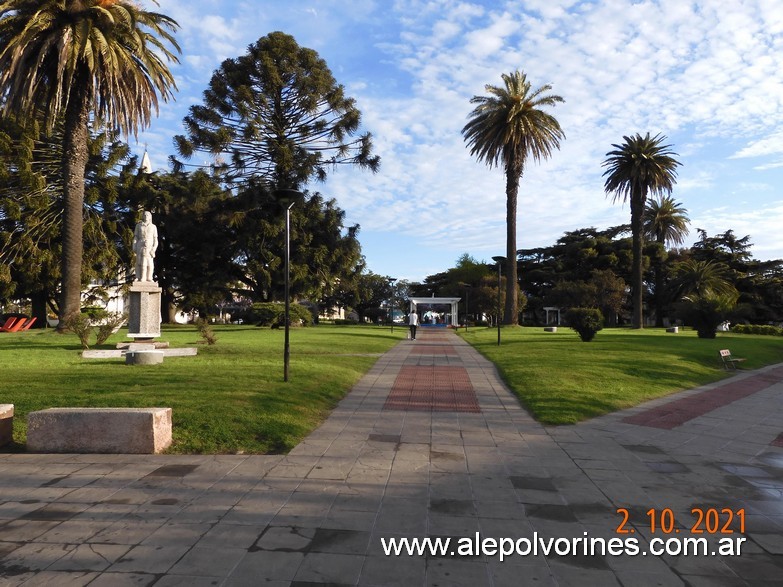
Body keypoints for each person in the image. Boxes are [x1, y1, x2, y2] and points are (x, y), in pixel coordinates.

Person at [133, 210, 158, 282]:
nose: (146, 216)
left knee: (150, 263)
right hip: (140, 244)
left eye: (148, 215)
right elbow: (136, 237)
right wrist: (134, 245)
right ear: (142, 216)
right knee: (139, 261)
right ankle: (138, 277)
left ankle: (149, 277)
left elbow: (155, 239)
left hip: (149, 245)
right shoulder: (138, 225)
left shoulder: (153, 227)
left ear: (150, 217)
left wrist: (153, 249)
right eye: (145, 215)